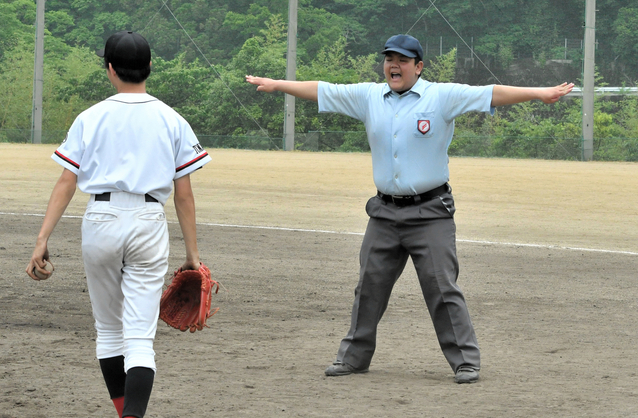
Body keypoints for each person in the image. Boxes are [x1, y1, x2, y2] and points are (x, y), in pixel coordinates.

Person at [246, 34, 573, 384]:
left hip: (430, 212)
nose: (393, 65)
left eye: (402, 60)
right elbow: (323, 89)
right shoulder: (370, 97)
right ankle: (354, 357)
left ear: (418, 67)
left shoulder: (441, 97)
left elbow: (491, 93)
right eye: (389, 59)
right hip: (384, 214)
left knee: (441, 287)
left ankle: (465, 361)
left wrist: (540, 93)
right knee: (368, 286)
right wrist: (278, 84)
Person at [26, 31, 212, 418]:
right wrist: (193, 254)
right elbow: (183, 194)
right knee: (140, 337)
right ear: (149, 67)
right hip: (150, 221)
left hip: (102, 220)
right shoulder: (172, 118)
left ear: (109, 67)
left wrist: (42, 238)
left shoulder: (91, 117)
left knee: (109, 332)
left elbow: (67, 181)